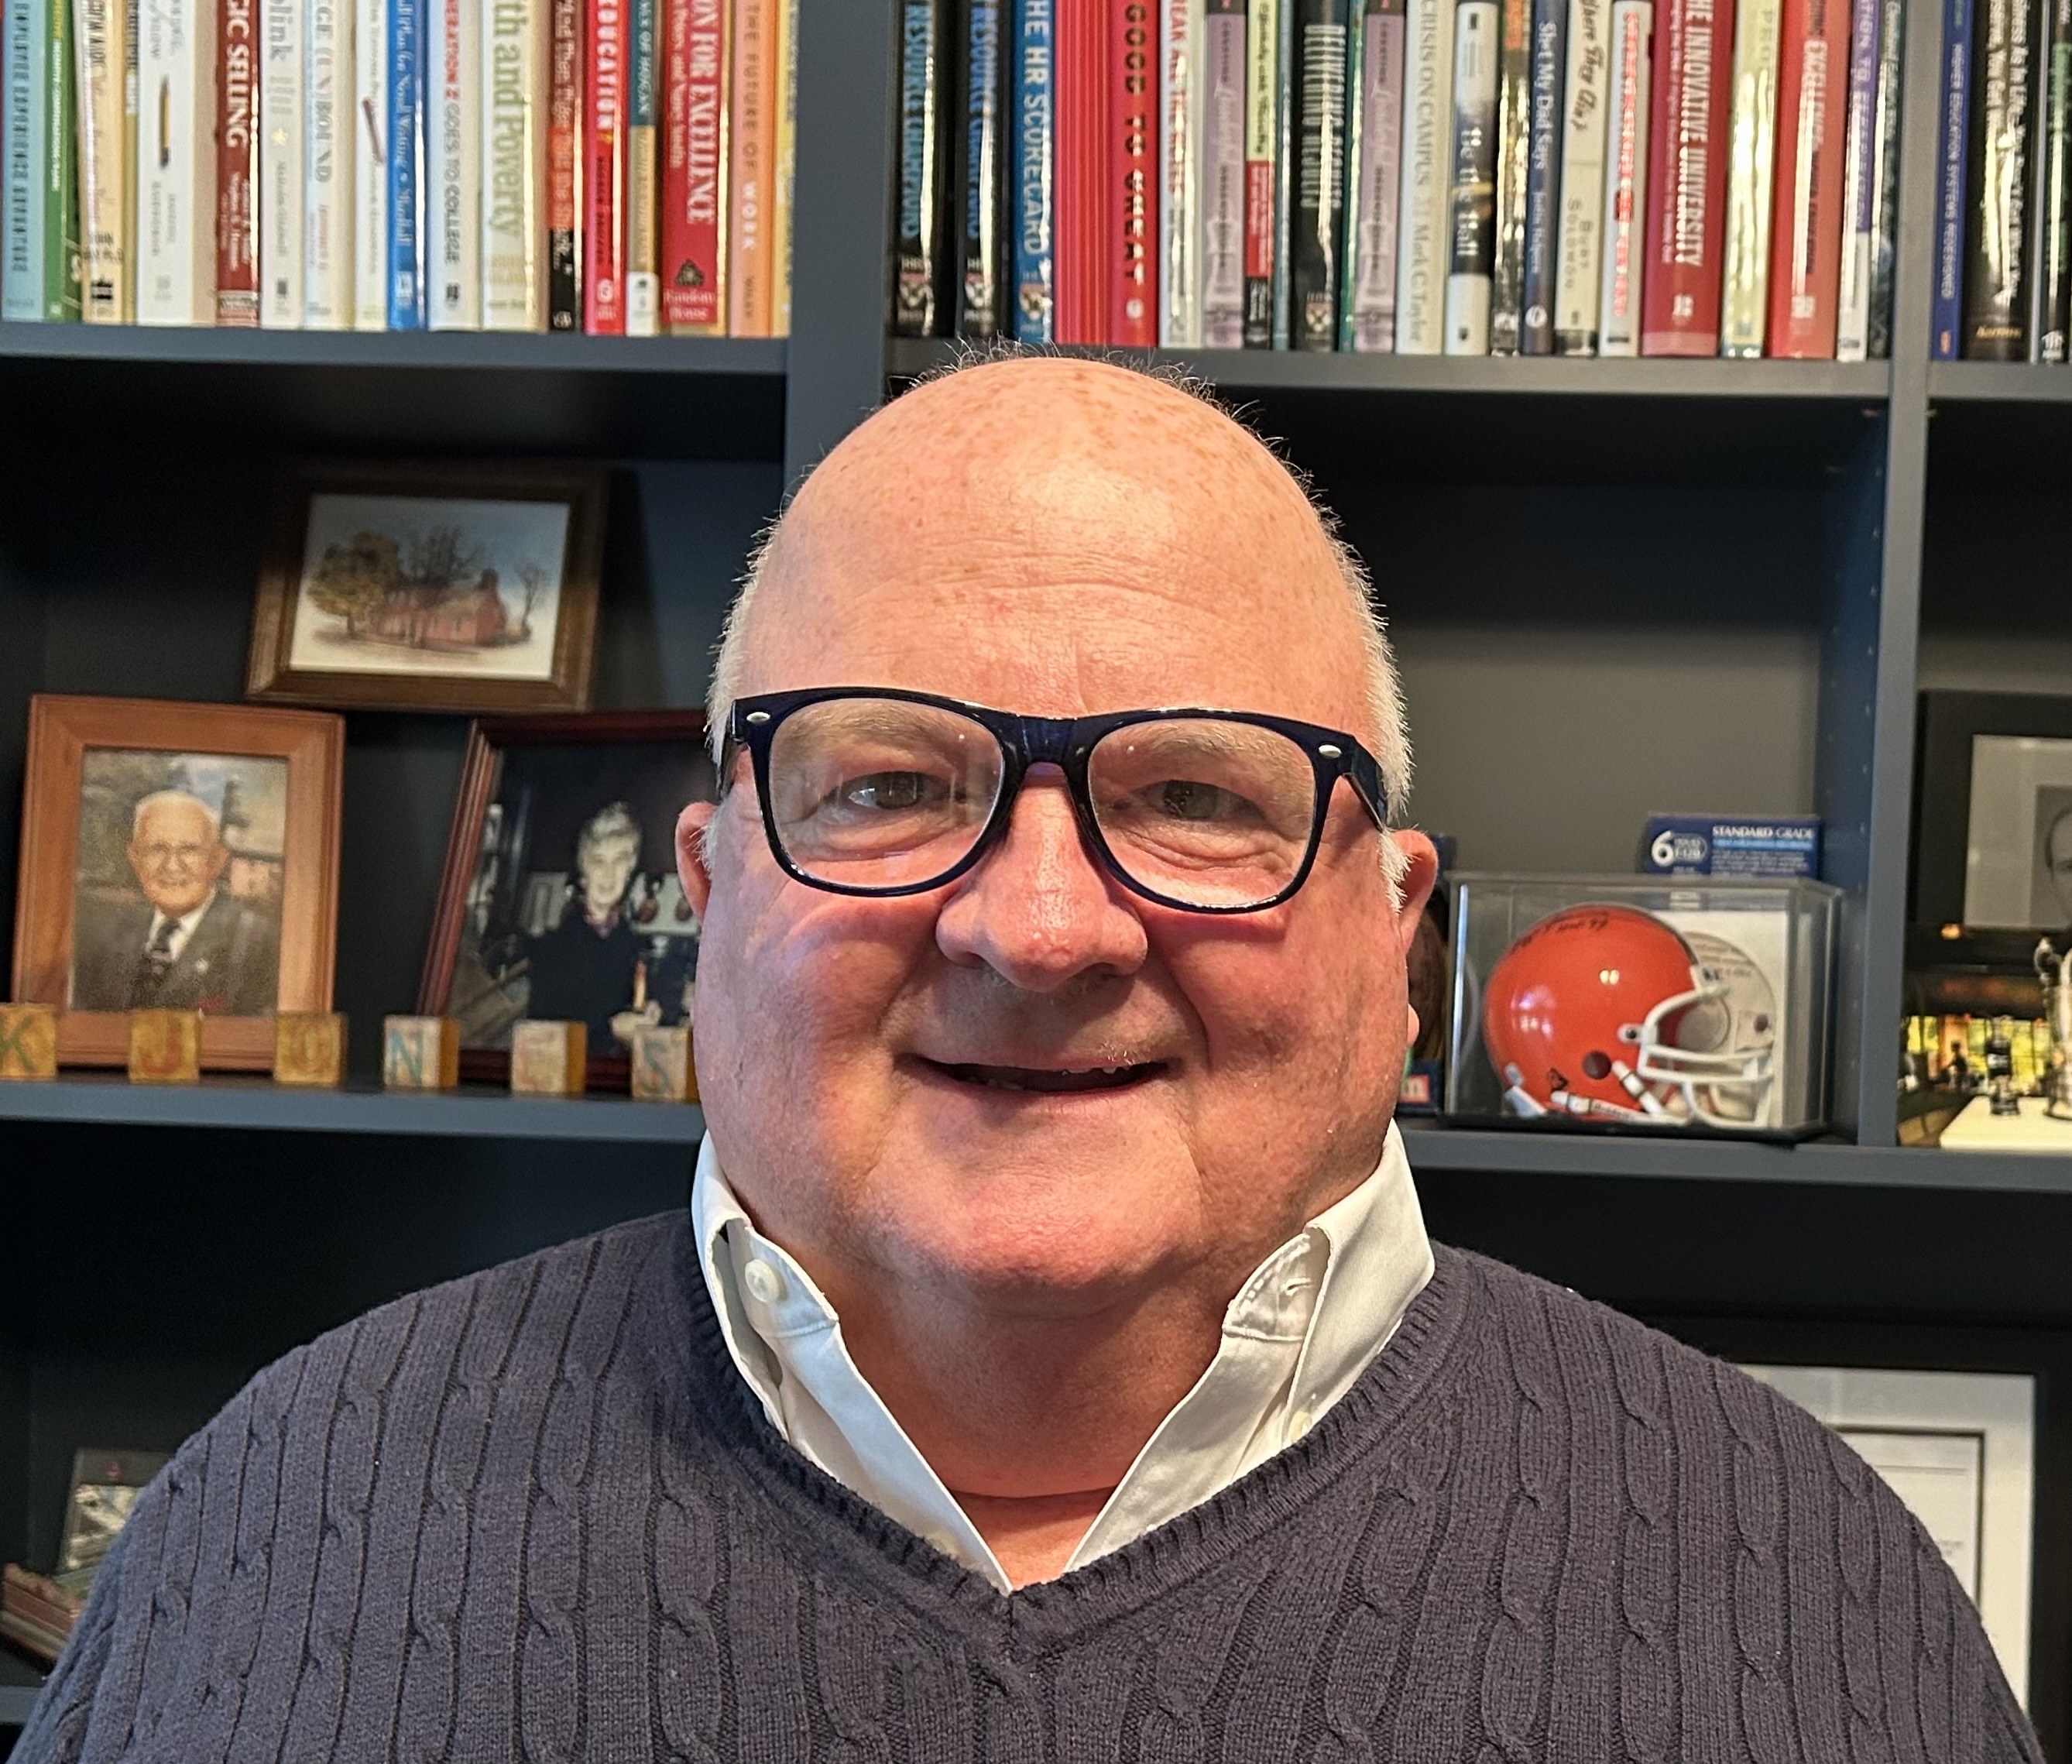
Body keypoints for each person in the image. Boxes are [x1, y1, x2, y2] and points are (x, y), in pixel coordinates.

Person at [16, 359, 2038, 1762]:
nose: (1043, 923)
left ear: (1393, 930)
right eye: (890, 784)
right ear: (708, 893)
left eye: (1198, 794)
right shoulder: (271, 1518)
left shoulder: (1806, 1580)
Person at [67, 789, 280, 1016]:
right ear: (134, 858)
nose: (172, 866)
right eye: (157, 849)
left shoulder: (260, 943)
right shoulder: (102, 937)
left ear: (218, 860)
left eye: (189, 850)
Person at [520, 799, 664, 1048]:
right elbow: (541, 1040)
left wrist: (653, 1016)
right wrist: (610, 1031)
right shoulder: (551, 950)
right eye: (598, 861)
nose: (609, 874)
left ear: (629, 871)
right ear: (583, 871)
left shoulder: (637, 949)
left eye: (619, 861)